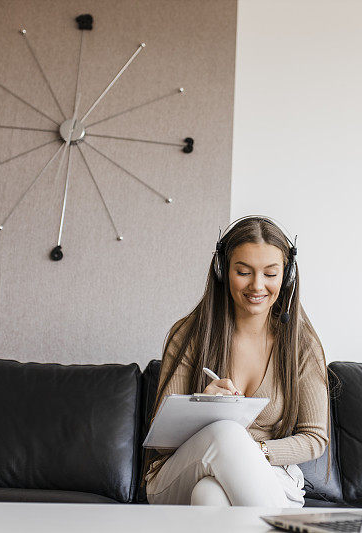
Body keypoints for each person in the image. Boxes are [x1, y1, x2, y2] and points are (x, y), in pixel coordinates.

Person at [144, 215, 330, 507]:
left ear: (287, 275)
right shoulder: (189, 335)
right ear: (222, 271)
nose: (257, 286)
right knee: (226, 433)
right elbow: (159, 441)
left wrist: (251, 451)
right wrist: (199, 407)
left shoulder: (301, 345)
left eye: (270, 274)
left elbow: (315, 438)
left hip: (269, 476)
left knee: (209, 495)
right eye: (243, 272)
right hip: (178, 474)